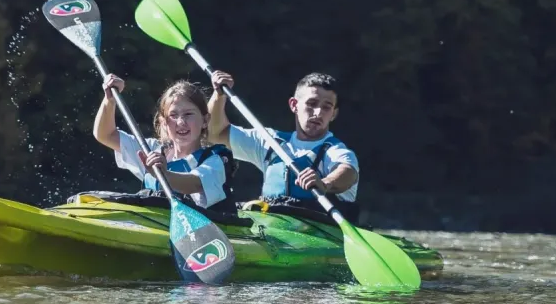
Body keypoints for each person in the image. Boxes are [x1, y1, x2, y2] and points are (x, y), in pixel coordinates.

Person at [206, 70, 361, 220]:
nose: (318, 112)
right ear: (294, 105)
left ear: (333, 114)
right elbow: (215, 134)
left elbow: (347, 172)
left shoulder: (336, 151)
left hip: (319, 236)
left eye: (327, 107)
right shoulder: (269, 140)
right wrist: (219, 95)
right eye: (312, 103)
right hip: (273, 230)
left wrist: (325, 184)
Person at [93, 74, 236, 210]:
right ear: (163, 123)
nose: (181, 122)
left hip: (207, 230)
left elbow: (194, 184)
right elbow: (106, 135)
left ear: (205, 121)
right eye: (173, 115)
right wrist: (109, 100)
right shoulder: (152, 150)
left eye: (188, 114)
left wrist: (163, 174)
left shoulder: (216, 159)